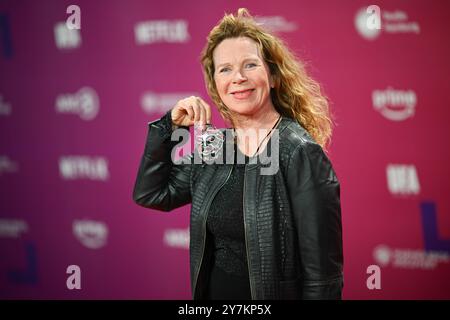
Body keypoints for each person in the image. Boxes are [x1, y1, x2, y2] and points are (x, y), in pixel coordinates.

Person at [133, 8, 343, 300]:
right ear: (217, 85)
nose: (238, 78)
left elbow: (323, 279)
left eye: (250, 65)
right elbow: (152, 194)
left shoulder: (300, 152)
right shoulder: (215, 147)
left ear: (273, 77)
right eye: (225, 69)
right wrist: (168, 127)